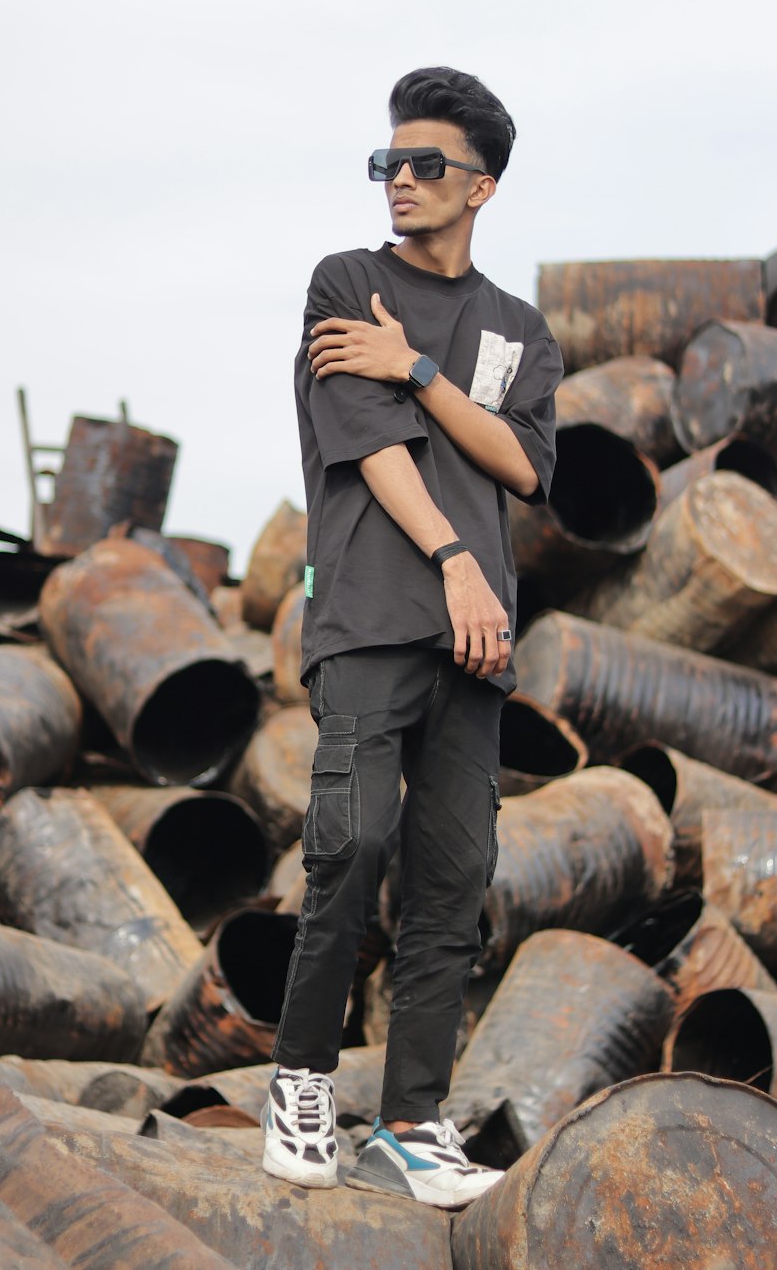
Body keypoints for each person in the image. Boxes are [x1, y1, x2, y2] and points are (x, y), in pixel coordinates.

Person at [261, 66, 561, 1209]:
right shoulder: (344, 282)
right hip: (377, 620)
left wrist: (421, 369)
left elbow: (526, 465)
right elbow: (373, 449)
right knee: (347, 848)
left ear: (480, 185)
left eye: (426, 165)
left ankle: (409, 1120)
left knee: (452, 878)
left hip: (473, 653)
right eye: (389, 162)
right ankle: (297, 1083)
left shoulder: (516, 330)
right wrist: (456, 565)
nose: (399, 181)